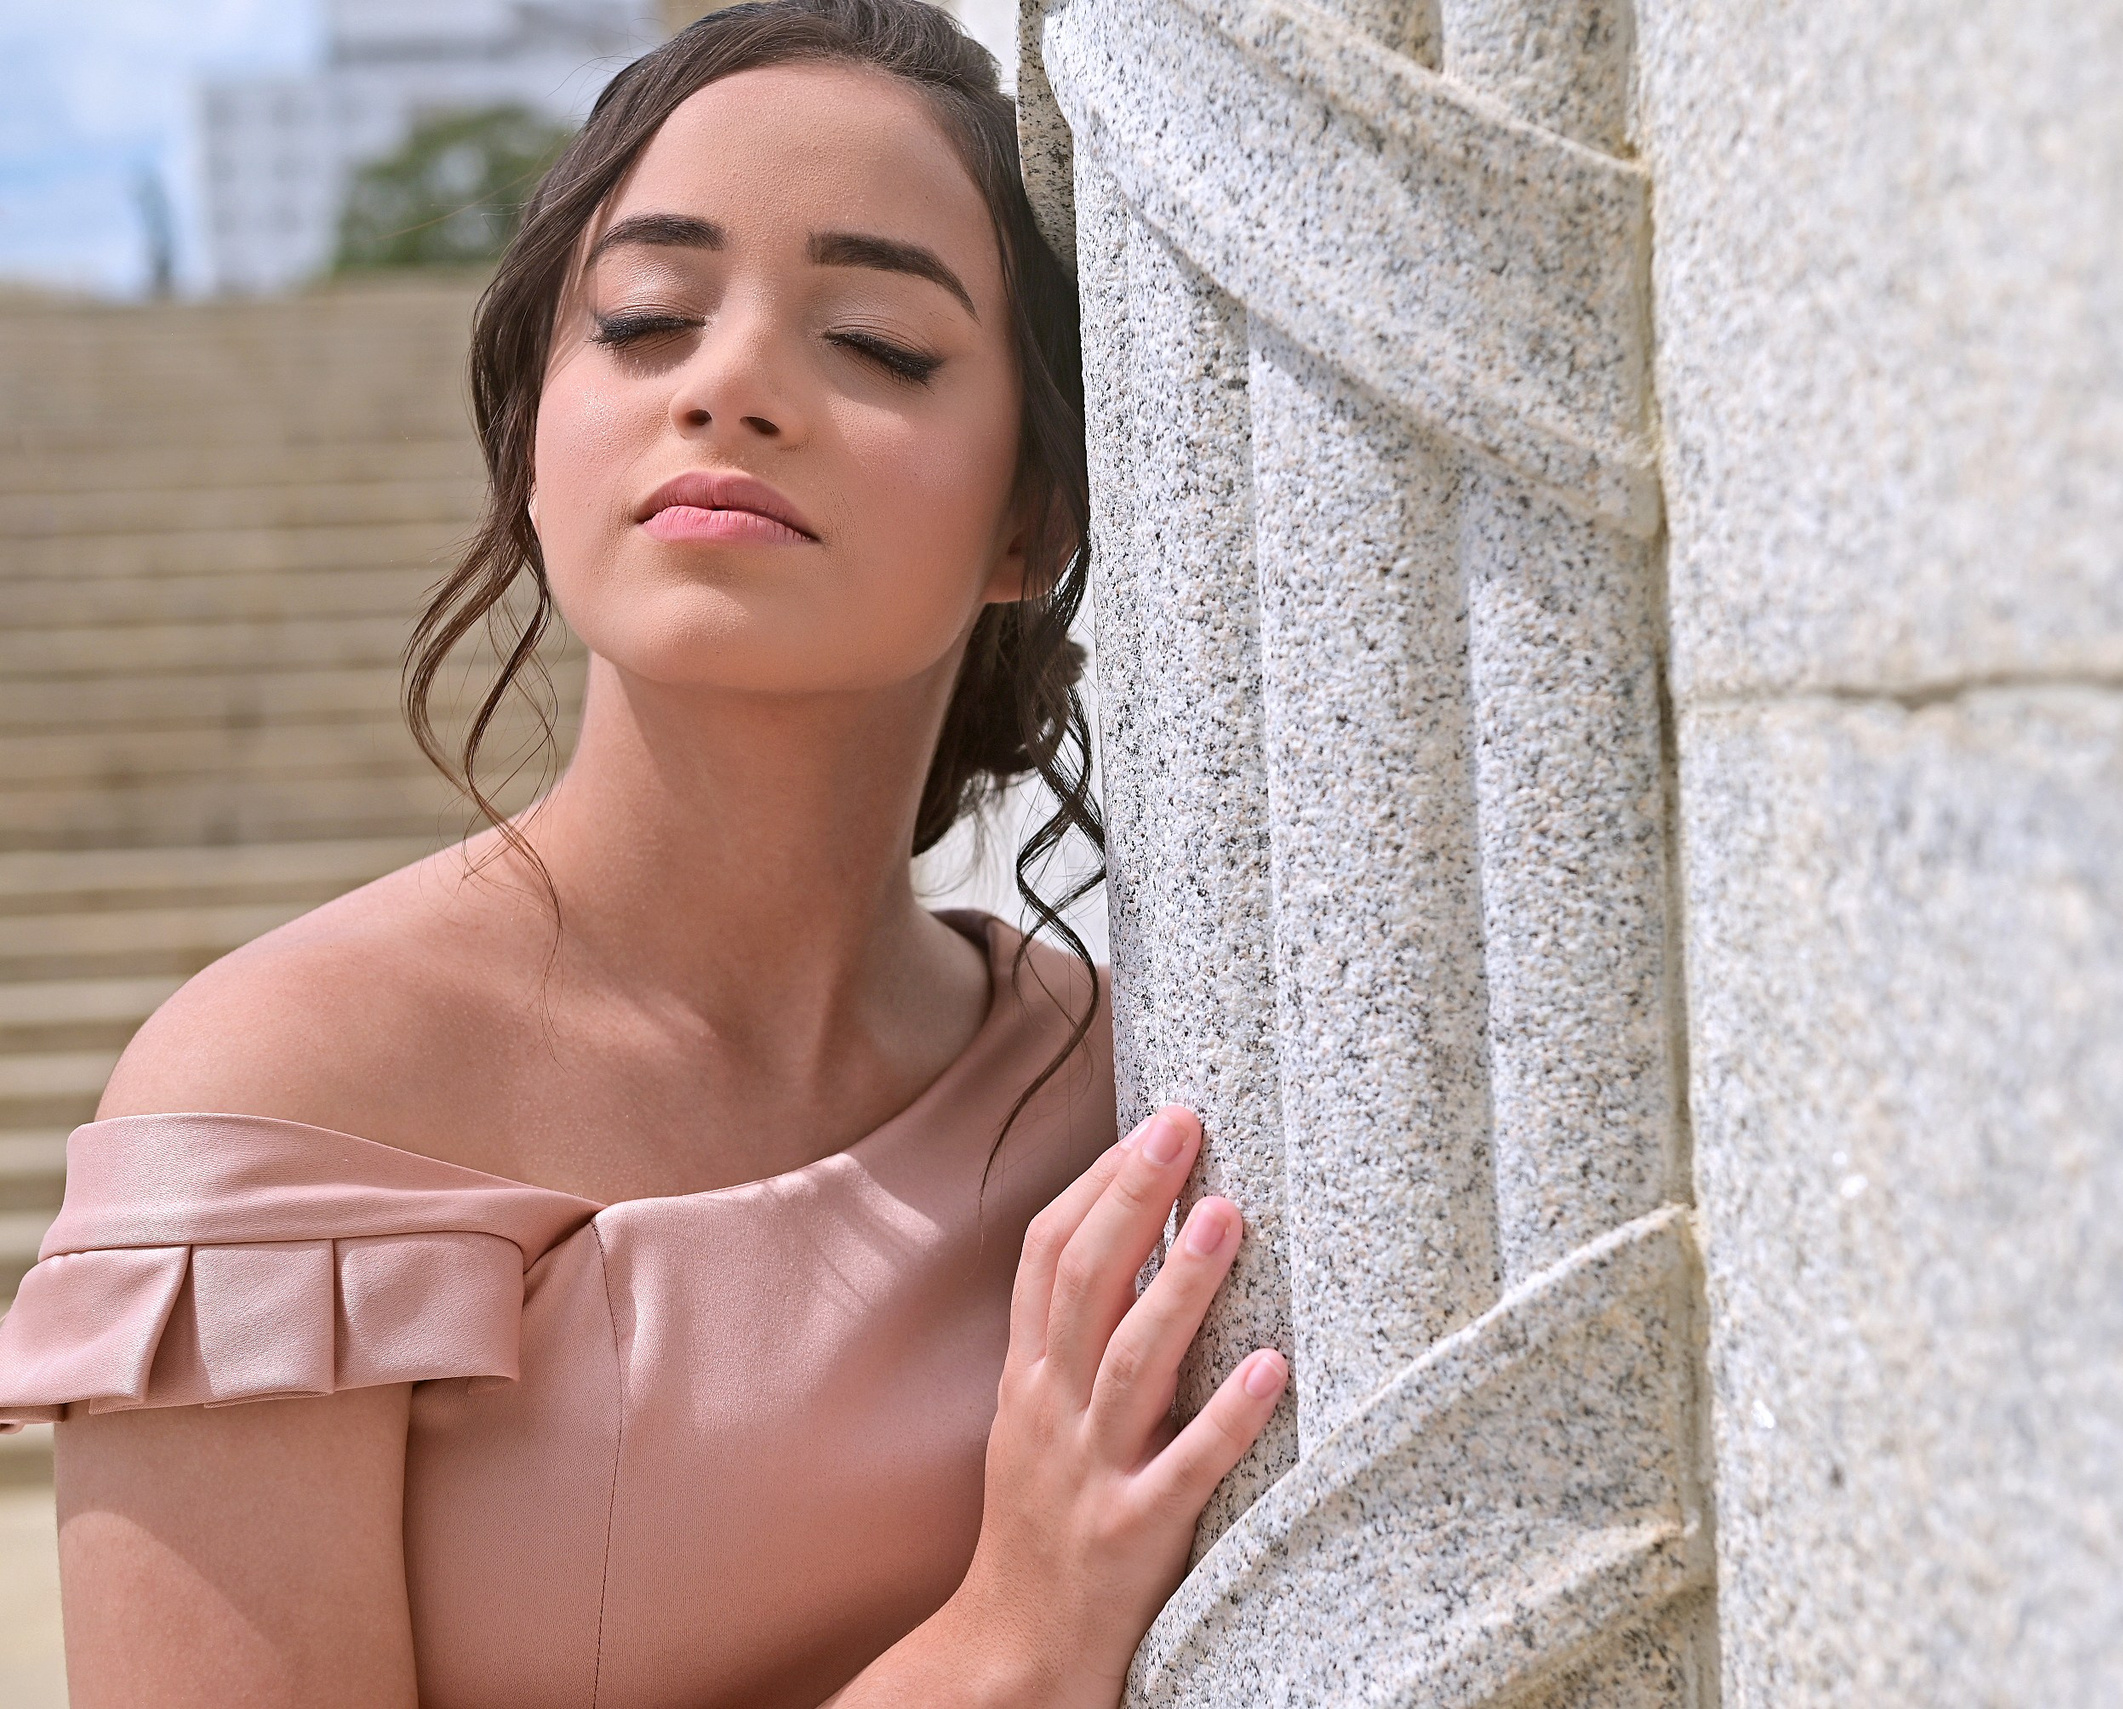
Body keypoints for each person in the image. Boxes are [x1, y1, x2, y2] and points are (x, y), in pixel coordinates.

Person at [0, 4, 1288, 1704]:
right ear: (538, 444)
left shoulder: (1132, 1093)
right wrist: (1009, 1638)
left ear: (1030, 518)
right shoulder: (282, 1094)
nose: (731, 382)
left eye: (879, 344)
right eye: (646, 318)